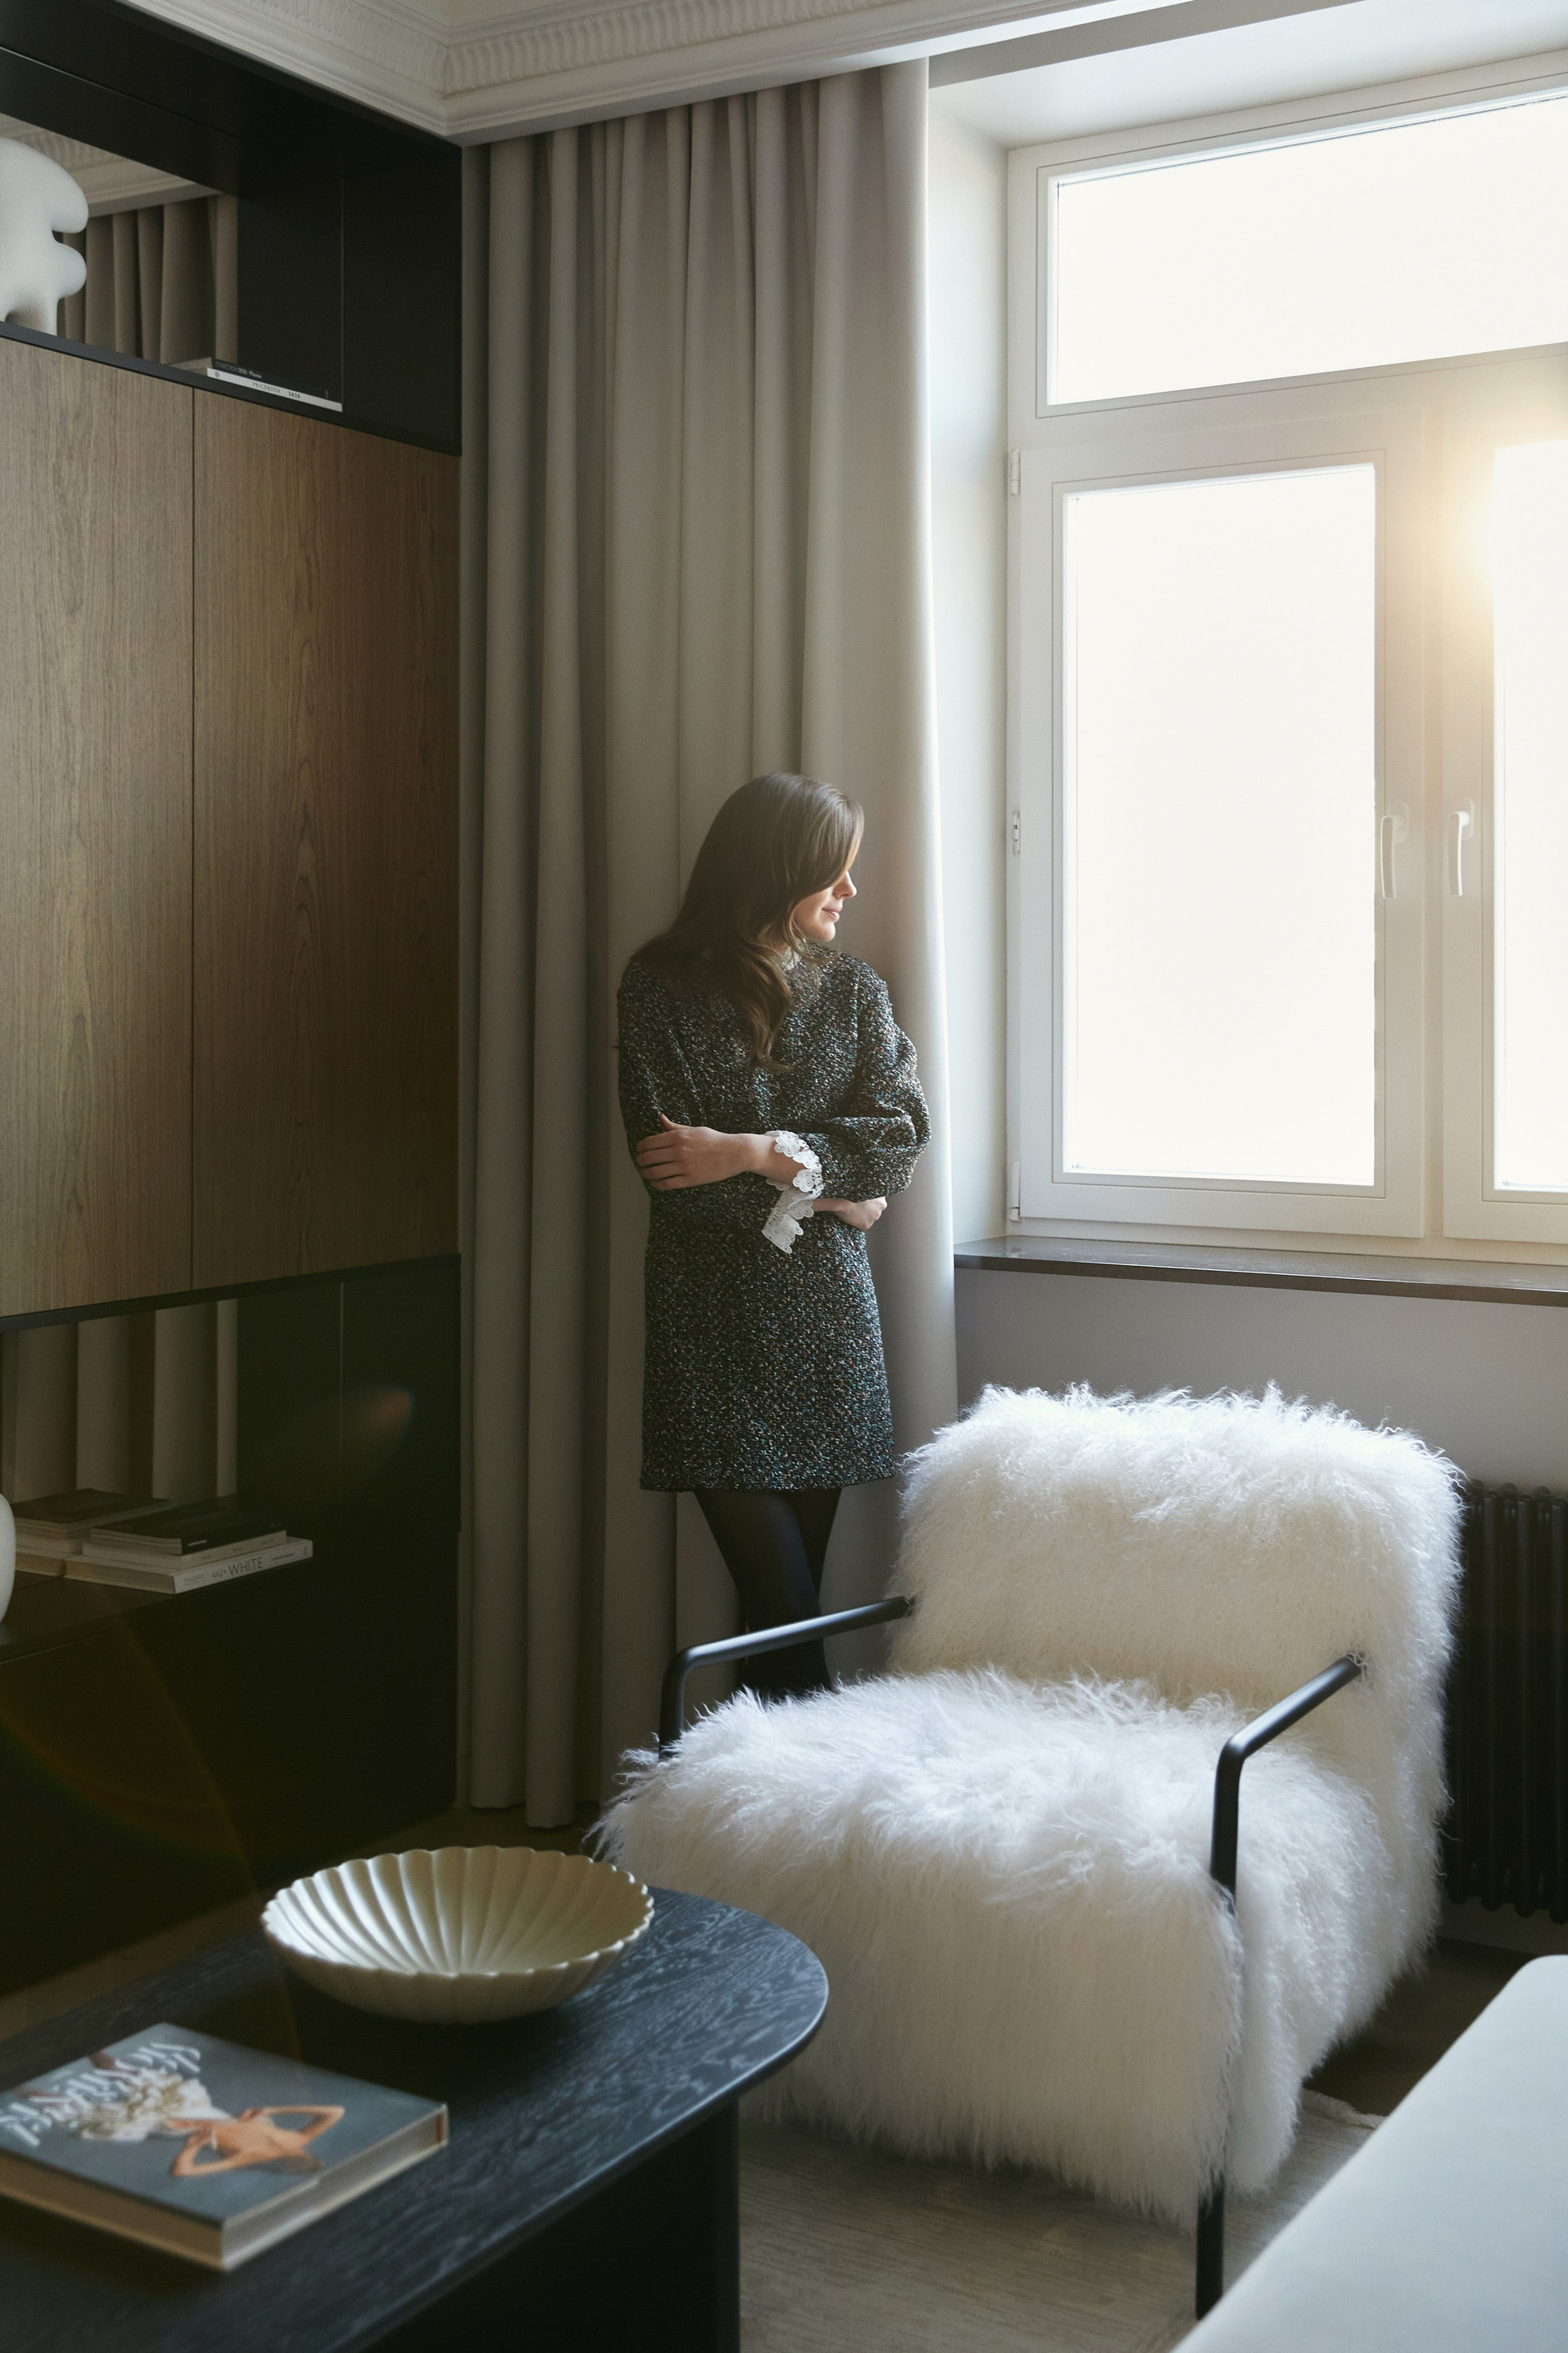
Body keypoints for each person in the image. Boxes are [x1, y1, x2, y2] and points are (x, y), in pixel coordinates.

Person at [617, 771, 930, 1699]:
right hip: (708, 1329)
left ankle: (754, 1789)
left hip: (824, 1328)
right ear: (776, 868)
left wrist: (751, 1151)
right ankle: (820, 1780)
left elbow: (899, 1142)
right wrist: (833, 1190)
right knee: (785, 1604)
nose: (851, 890)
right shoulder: (658, 987)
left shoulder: (856, 992)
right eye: (833, 872)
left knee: (781, 1620)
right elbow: (674, 1177)